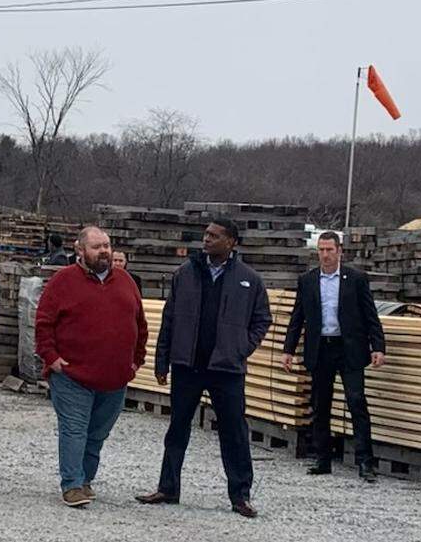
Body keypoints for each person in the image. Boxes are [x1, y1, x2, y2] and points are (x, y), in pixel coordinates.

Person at [135, 219, 270, 518]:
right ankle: (168, 488)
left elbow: (262, 319)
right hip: (188, 365)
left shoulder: (249, 279)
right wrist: (162, 361)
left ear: (231, 242)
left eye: (215, 236)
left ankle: (240, 496)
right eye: (206, 235)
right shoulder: (186, 273)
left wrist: (241, 347)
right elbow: (169, 319)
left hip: (227, 369)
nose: (207, 240)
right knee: (177, 429)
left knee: (234, 432)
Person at [35, 226, 148, 508]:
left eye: (107, 246)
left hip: (115, 377)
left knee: (97, 433)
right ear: (80, 249)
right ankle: (72, 484)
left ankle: (85, 479)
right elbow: (43, 323)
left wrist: (136, 361)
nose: (104, 251)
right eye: (97, 246)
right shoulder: (63, 281)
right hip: (72, 375)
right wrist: (52, 358)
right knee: (74, 429)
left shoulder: (125, 281)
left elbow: (140, 324)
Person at [282, 231, 386, 482]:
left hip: (349, 347)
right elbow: (298, 317)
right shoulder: (307, 281)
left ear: (340, 251)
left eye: (330, 250)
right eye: (321, 250)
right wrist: (288, 349)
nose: (325, 255)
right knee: (320, 405)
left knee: (356, 402)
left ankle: (365, 462)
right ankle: (323, 459)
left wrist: (378, 346)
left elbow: (370, 314)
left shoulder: (356, 279)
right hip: (320, 348)